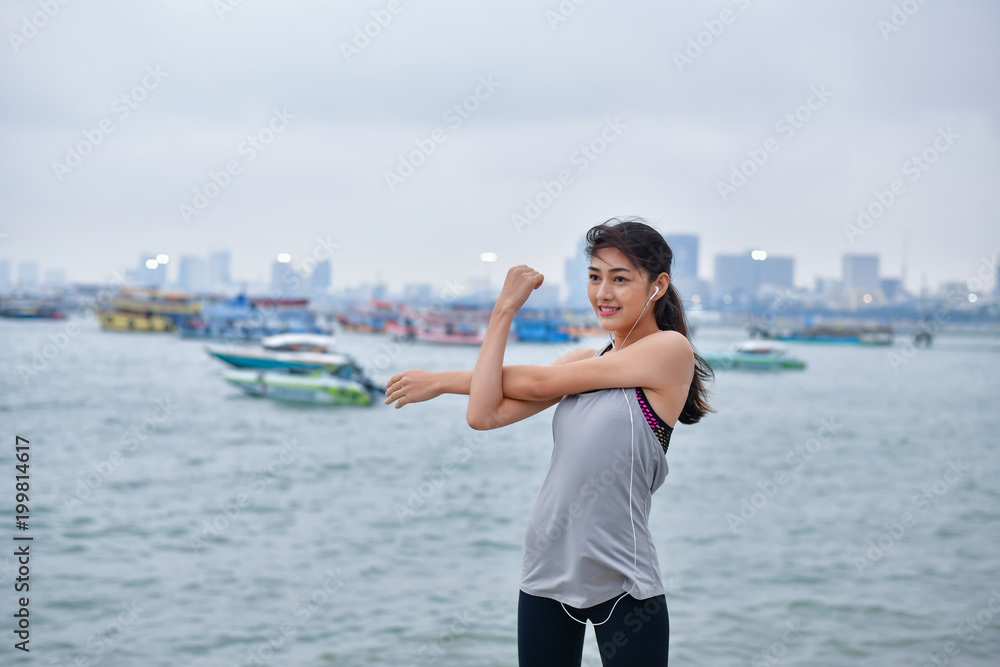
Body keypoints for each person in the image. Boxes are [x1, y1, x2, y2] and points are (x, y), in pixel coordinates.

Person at [384, 217, 715, 666]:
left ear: (657, 286)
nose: (603, 293)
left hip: (624, 579)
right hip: (546, 570)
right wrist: (500, 315)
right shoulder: (583, 360)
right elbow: (485, 413)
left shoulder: (670, 351)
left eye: (620, 279)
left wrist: (446, 376)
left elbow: (538, 382)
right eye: (595, 277)